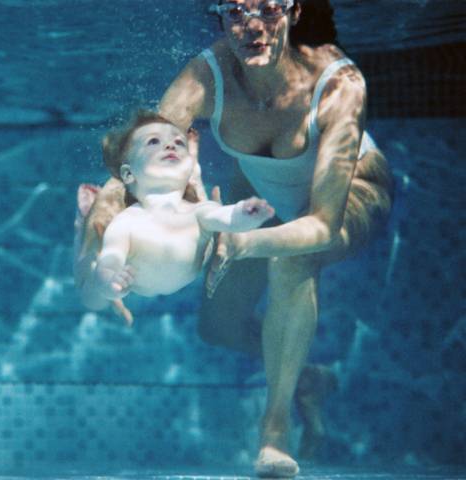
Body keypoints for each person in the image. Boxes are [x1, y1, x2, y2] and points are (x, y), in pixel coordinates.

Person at [76, 0, 393, 477]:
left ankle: (275, 429)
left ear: (294, 11)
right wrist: (100, 232)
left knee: (293, 259)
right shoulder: (208, 72)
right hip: (257, 196)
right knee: (218, 326)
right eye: (236, 12)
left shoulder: (339, 84)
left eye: (268, 9)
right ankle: (307, 380)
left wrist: (243, 244)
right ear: (220, 17)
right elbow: (138, 161)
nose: (252, 26)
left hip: (352, 191)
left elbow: (322, 225)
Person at [77, 112, 274, 323]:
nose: (171, 145)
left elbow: (228, 217)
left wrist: (247, 213)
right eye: (153, 141)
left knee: (203, 202)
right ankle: (82, 224)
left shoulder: (199, 212)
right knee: (93, 300)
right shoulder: (126, 223)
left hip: (193, 240)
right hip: (137, 285)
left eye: (179, 142)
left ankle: (194, 172)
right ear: (128, 174)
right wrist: (111, 284)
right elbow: (109, 261)